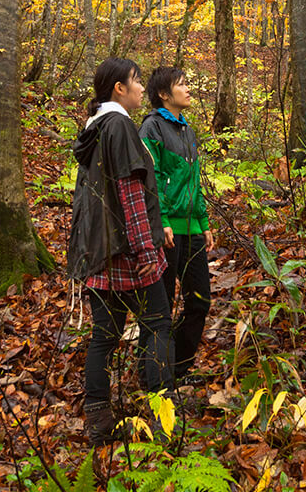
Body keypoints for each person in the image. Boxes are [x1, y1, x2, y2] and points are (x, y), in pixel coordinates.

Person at [67, 58, 174, 446]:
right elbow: (130, 194)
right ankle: (165, 419)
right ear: (118, 88)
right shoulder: (119, 127)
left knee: (105, 337)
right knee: (159, 324)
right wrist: (147, 250)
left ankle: (98, 420)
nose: (142, 89)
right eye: (136, 82)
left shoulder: (94, 129)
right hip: (128, 252)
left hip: (99, 252)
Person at [140, 67, 213, 383]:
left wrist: (203, 221)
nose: (188, 88)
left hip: (192, 229)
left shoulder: (188, 131)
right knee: (162, 306)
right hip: (167, 231)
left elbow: (194, 182)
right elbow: (150, 178)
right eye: (181, 84)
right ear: (163, 95)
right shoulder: (151, 128)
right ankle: (154, 374)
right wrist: (163, 221)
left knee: (200, 300)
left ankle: (180, 367)